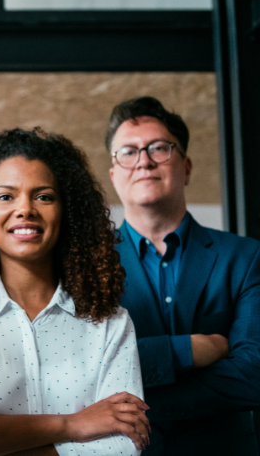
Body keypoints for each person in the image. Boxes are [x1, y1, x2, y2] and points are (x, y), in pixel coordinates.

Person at [0, 128, 149, 456]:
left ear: (67, 211)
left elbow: (123, 445)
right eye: (6, 196)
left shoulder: (110, 322)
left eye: (44, 196)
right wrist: (75, 424)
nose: (25, 209)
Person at [105, 97, 260, 455]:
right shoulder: (83, 266)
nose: (143, 160)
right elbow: (80, 367)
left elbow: (254, 375)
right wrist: (190, 349)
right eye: (128, 152)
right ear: (114, 175)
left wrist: (133, 406)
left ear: (186, 167)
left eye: (159, 148)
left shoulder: (245, 257)